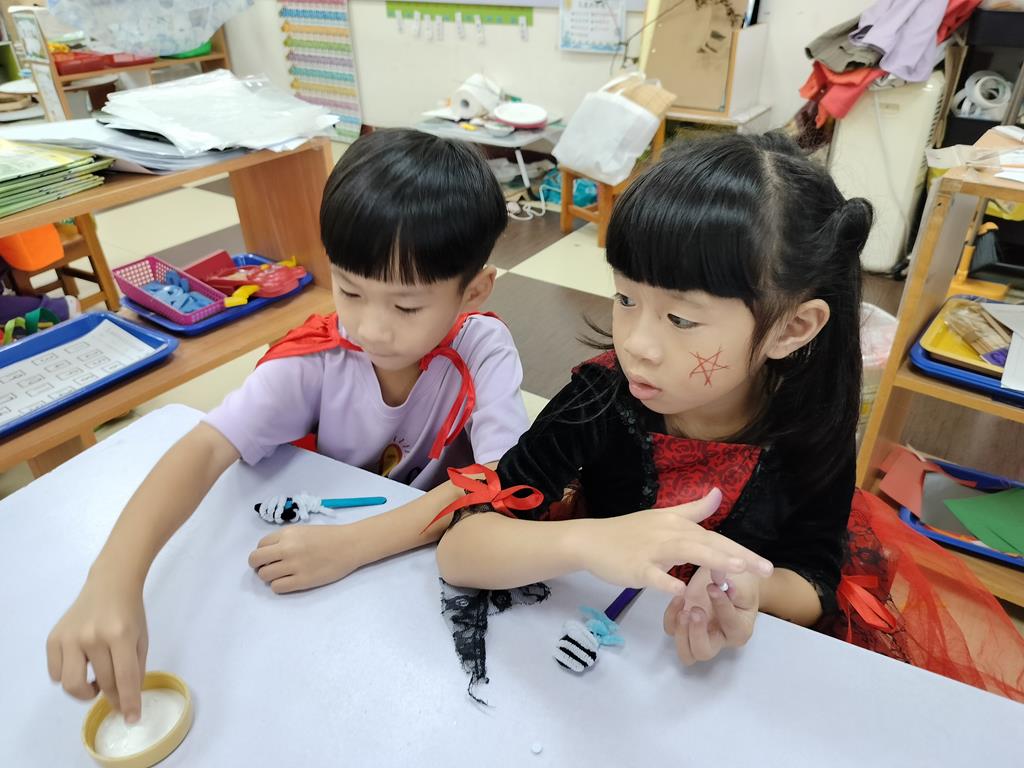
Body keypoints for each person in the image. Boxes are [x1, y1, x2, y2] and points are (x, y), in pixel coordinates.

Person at [47, 129, 530, 720]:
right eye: (350, 291)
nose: (371, 328)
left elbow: (502, 480)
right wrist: (112, 578)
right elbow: (205, 447)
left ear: (474, 291)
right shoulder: (319, 356)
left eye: (406, 306)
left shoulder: (483, 348)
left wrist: (354, 545)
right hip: (316, 572)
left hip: (410, 578)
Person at [436, 132, 869, 667]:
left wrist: (742, 584)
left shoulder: (812, 422)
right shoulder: (600, 396)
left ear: (792, 328)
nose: (636, 344)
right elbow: (463, 546)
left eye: (680, 319)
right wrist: (589, 542)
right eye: (625, 297)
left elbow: (815, 578)